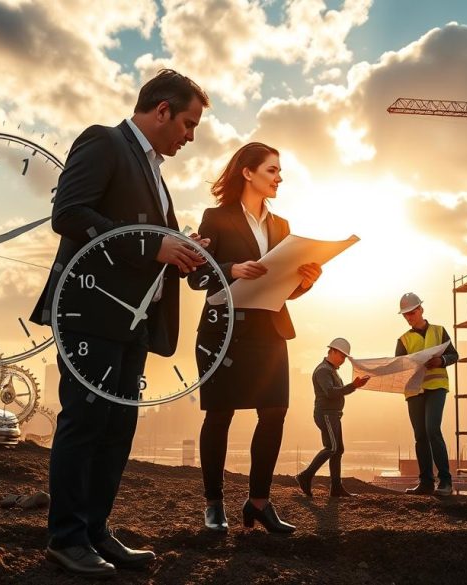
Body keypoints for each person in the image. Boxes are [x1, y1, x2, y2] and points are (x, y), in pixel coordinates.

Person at [30, 69, 210, 576]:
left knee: (117, 428)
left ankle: (94, 531)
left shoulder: (153, 170)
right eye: (189, 124)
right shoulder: (104, 142)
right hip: (90, 312)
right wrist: (154, 244)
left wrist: (183, 248)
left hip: (133, 321)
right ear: (162, 110)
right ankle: (66, 538)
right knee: (85, 423)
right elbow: (69, 213)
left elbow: (146, 240)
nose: (190, 137)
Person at [191, 142, 322, 534]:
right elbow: (196, 276)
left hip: (270, 330)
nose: (279, 178)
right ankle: (214, 504)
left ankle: (259, 503)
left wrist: (305, 282)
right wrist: (232, 268)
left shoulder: (282, 226)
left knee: (274, 411)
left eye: (279, 171)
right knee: (220, 414)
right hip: (224, 330)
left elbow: (284, 287)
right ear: (248, 172)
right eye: (272, 170)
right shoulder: (216, 217)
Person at [395, 292, 458, 496]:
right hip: (414, 390)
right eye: (406, 315)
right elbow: (399, 367)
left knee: (432, 429)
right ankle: (426, 483)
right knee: (420, 435)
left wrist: (441, 361)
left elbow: (453, 355)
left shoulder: (439, 331)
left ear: (421, 309)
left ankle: (445, 481)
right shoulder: (403, 340)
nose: (409, 317)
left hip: (436, 386)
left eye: (412, 313)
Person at [294, 338, 370, 498]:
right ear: (332, 351)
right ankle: (305, 476)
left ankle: (336, 488)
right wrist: (353, 386)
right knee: (332, 448)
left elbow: (336, 391)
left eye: (345, 357)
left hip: (333, 415)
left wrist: (353, 386)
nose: (343, 360)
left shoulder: (331, 370)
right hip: (326, 414)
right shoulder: (323, 371)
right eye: (342, 356)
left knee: (338, 450)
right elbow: (330, 392)